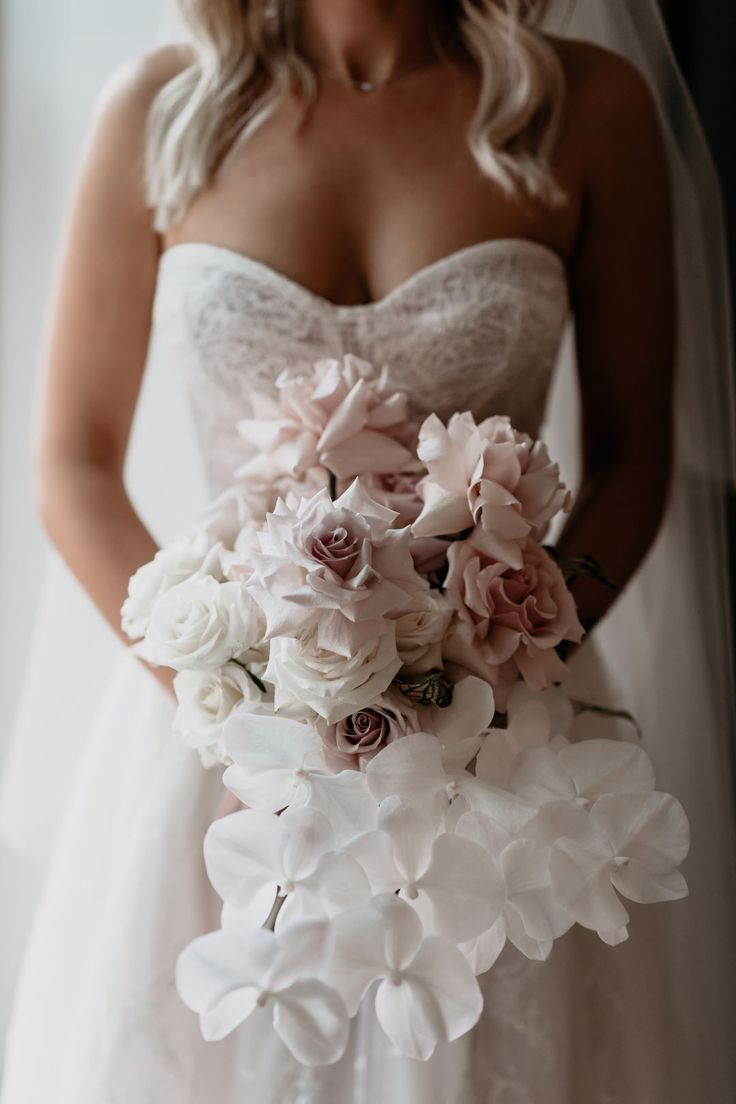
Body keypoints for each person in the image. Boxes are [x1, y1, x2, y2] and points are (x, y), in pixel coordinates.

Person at [1, 1, 734, 1101]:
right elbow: (73, 466)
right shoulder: (160, 108)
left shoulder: (586, 107)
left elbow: (632, 458)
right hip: (222, 742)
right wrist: (241, 706)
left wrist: (478, 676)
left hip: (502, 731)